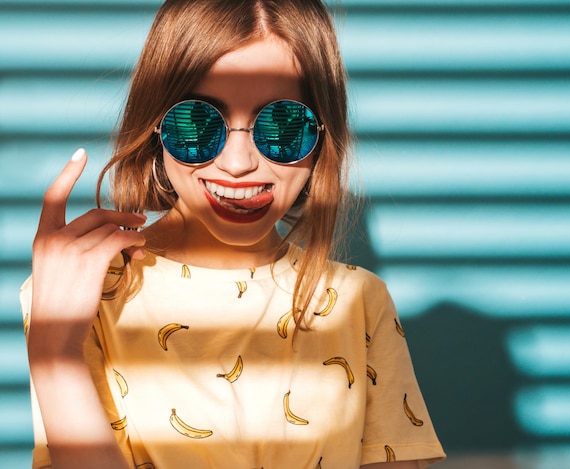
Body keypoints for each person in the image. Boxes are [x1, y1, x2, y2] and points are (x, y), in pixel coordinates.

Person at [21, 1, 446, 468]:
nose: (240, 163)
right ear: (156, 124)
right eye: (197, 124)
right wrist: (53, 350)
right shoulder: (79, 291)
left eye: (283, 125)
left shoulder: (361, 303)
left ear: (323, 132)